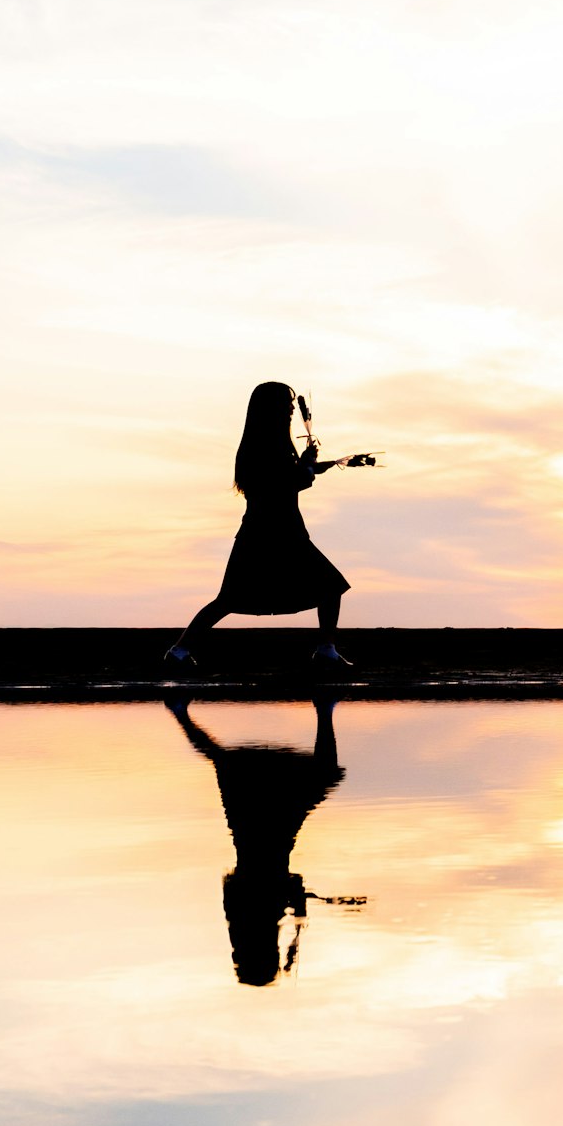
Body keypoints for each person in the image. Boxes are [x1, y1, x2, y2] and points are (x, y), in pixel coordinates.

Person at [171, 381, 374, 670]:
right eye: (286, 403)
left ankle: (179, 651)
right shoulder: (270, 445)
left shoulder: (260, 444)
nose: (292, 408)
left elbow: (284, 478)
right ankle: (325, 651)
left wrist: (310, 464)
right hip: (278, 531)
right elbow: (287, 483)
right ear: (272, 408)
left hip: (263, 528)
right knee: (328, 586)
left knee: (230, 599)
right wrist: (305, 469)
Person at [169, 693, 359, 987]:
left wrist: (299, 912)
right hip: (262, 833)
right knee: (223, 760)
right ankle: (180, 712)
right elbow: (283, 884)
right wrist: (298, 912)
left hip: (268, 833)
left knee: (323, 773)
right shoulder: (245, 925)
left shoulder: (250, 924)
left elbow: (284, 883)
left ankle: (324, 709)